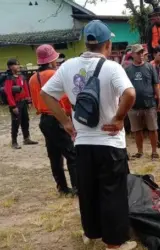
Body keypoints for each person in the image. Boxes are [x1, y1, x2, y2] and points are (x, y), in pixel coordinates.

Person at [40, 20, 137, 250]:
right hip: (110, 142)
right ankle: (114, 243)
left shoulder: (66, 67)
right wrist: (119, 118)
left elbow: (46, 95)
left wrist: (65, 121)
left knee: (88, 190)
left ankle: (91, 232)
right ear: (108, 44)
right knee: (112, 191)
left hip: (82, 142)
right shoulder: (113, 68)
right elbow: (130, 93)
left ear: (86, 43)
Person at [29, 44, 77, 196]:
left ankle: (62, 187)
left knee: (54, 155)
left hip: (44, 120)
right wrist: (68, 119)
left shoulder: (32, 78)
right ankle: (77, 187)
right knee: (71, 154)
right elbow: (64, 99)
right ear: (52, 60)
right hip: (58, 118)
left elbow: (36, 100)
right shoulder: (55, 75)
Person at [125, 44, 160, 160]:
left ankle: (154, 152)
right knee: (137, 130)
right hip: (134, 105)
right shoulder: (127, 70)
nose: (141, 55)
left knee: (153, 129)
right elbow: (124, 88)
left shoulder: (150, 67)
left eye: (142, 53)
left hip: (149, 104)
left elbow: (156, 86)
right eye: (138, 53)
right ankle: (140, 151)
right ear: (132, 55)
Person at [4, 58, 38, 149]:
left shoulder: (21, 77)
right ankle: (14, 142)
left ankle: (26, 138)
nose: (18, 66)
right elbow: (8, 93)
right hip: (16, 103)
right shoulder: (9, 78)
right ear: (10, 67)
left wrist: (29, 100)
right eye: (16, 64)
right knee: (15, 122)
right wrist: (13, 106)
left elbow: (26, 89)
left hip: (23, 103)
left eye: (18, 64)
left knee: (25, 120)